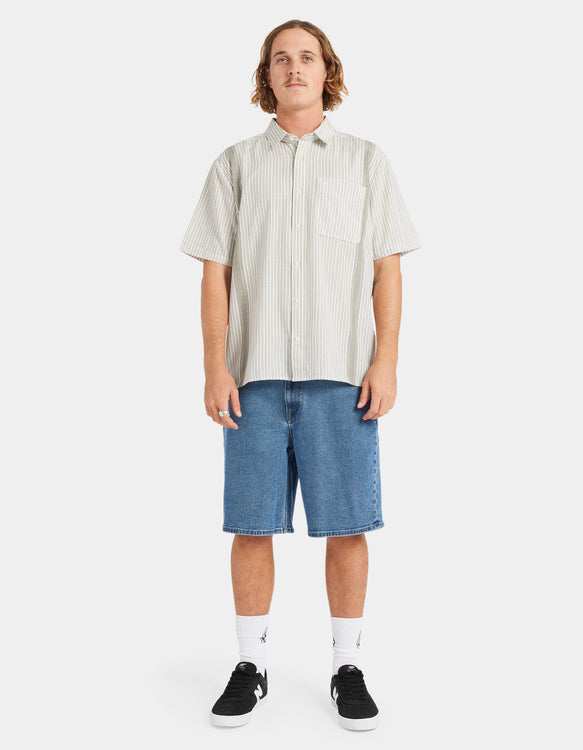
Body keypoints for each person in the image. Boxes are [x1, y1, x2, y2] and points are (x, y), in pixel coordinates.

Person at [178, 19, 421, 731]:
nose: (294, 68)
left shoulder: (366, 162)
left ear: (326, 71)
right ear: (266, 75)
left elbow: (386, 270)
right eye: (280, 58)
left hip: (341, 379)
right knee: (251, 525)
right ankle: (250, 665)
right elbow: (215, 273)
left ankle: (347, 666)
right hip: (253, 380)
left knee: (347, 526)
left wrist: (386, 360)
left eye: (306, 57)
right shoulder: (234, 165)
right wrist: (215, 366)